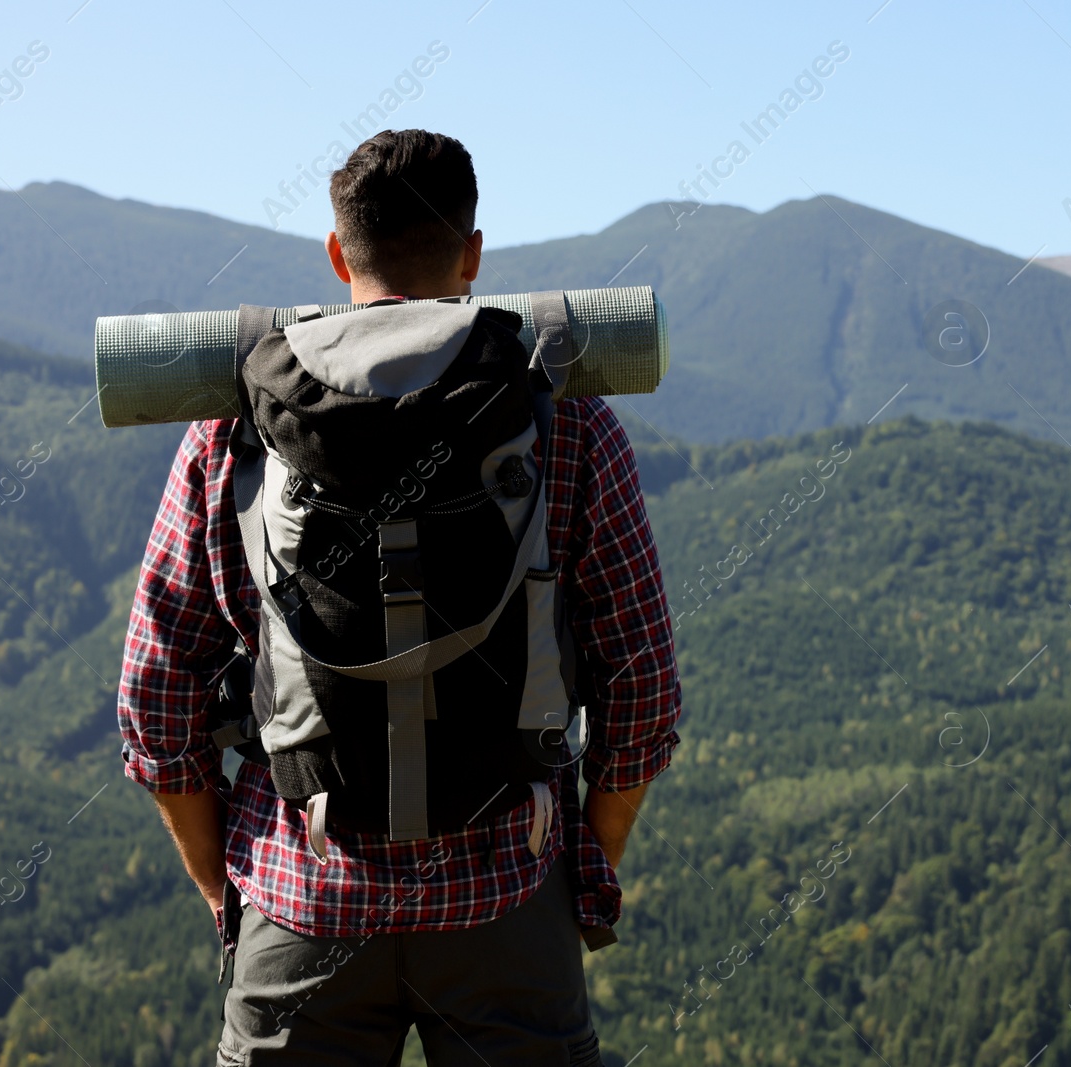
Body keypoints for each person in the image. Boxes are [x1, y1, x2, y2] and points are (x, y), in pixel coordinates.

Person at [116, 128, 682, 1066]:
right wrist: (582, 861)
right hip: (506, 901)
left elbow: (154, 693)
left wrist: (228, 888)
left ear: (339, 254)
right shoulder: (563, 416)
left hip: (303, 902)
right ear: (472, 253)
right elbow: (644, 690)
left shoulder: (235, 431)